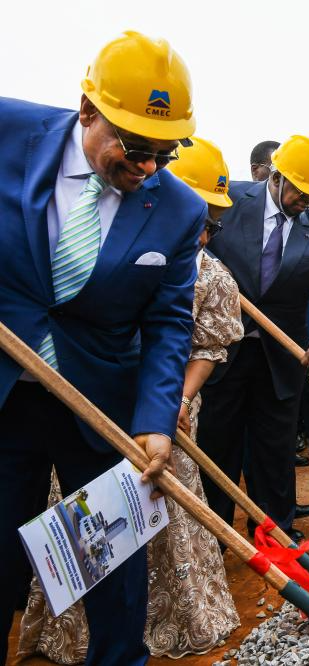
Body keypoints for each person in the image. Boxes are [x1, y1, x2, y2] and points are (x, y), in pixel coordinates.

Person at [0, 31, 205, 665]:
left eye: (166, 153)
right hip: (7, 395)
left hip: (99, 410)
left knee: (113, 583)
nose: (148, 168)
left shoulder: (179, 210)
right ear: (88, 109)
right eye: (136, 148)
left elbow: (168, 322)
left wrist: (155, 422)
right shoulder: (8, 131)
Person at [17, 137, 243, 662]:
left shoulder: (213, 274)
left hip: (162, 413)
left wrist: (172, 403)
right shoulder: (107, 235)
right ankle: (71, 630)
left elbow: (201, 344)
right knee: (78, 518)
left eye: (211, 224)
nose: (201, 230)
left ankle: (164, 620)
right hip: (93, 402)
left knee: (142, 522)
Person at [198, 135, 309, 540]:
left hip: (282, 356)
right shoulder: (230, 200)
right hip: (221, 352)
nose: (307, 202)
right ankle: (215, 538)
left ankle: (275, 532)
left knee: (275, 447)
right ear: (277, 177)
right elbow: (195, 240)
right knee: (218, 444)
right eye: (301, 191)